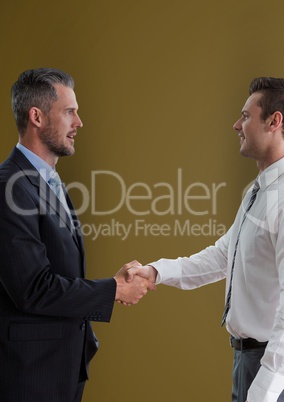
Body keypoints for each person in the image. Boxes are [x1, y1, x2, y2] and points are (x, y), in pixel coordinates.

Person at [0, 68, 155, 402]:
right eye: (69, 112)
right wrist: (113, 289)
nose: (79, 122)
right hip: (28, 376)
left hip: (62, 369)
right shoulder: (8, 188)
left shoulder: (48, 181)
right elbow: (33, 288)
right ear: (37, 117)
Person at [127, 77, 284, 402]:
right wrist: (156, 272)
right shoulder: (259, 192)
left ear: (274, 121)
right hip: (247, 362)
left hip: (270, 373)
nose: (235, 125)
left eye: (245, 116)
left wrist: (263, 394)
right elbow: (224, 255)